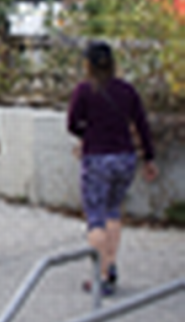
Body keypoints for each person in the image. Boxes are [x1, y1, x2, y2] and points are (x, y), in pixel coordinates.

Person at [67, 41, 159, 295]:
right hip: (125, 159)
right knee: (113, 211)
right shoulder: (127, 90)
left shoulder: (84, 90)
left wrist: (90, 134)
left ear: (87, 64)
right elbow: (142, 125)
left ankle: (102, 275)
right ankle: (112, 263)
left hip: (97, 158)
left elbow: (73, 124)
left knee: (95, 215)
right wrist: (149, 158)